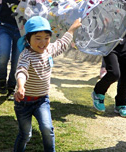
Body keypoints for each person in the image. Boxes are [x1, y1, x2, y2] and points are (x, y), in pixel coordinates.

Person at [13, 16, 82, 152]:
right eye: (38, 38)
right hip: (23, 102)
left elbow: (62, 44)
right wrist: (20, 86)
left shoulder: (49, 49)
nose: (43, 42)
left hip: (42, 100)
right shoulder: (26, 55)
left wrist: (72, 29)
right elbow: (22, 71)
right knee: (25, 134)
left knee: (47, 129)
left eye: (46, 38)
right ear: (28, 39)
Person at [0, 0, 40, 98]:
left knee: (17, 60)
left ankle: (11, 86)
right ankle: (1, 79)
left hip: (23, 29)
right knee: (3, 55)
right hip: (5, 25)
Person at [97, 0, 124, 78]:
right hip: (107, 19)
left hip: (121, 20)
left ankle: (119, 68)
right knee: (107, 44)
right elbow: (98, 0)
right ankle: (104, 67)